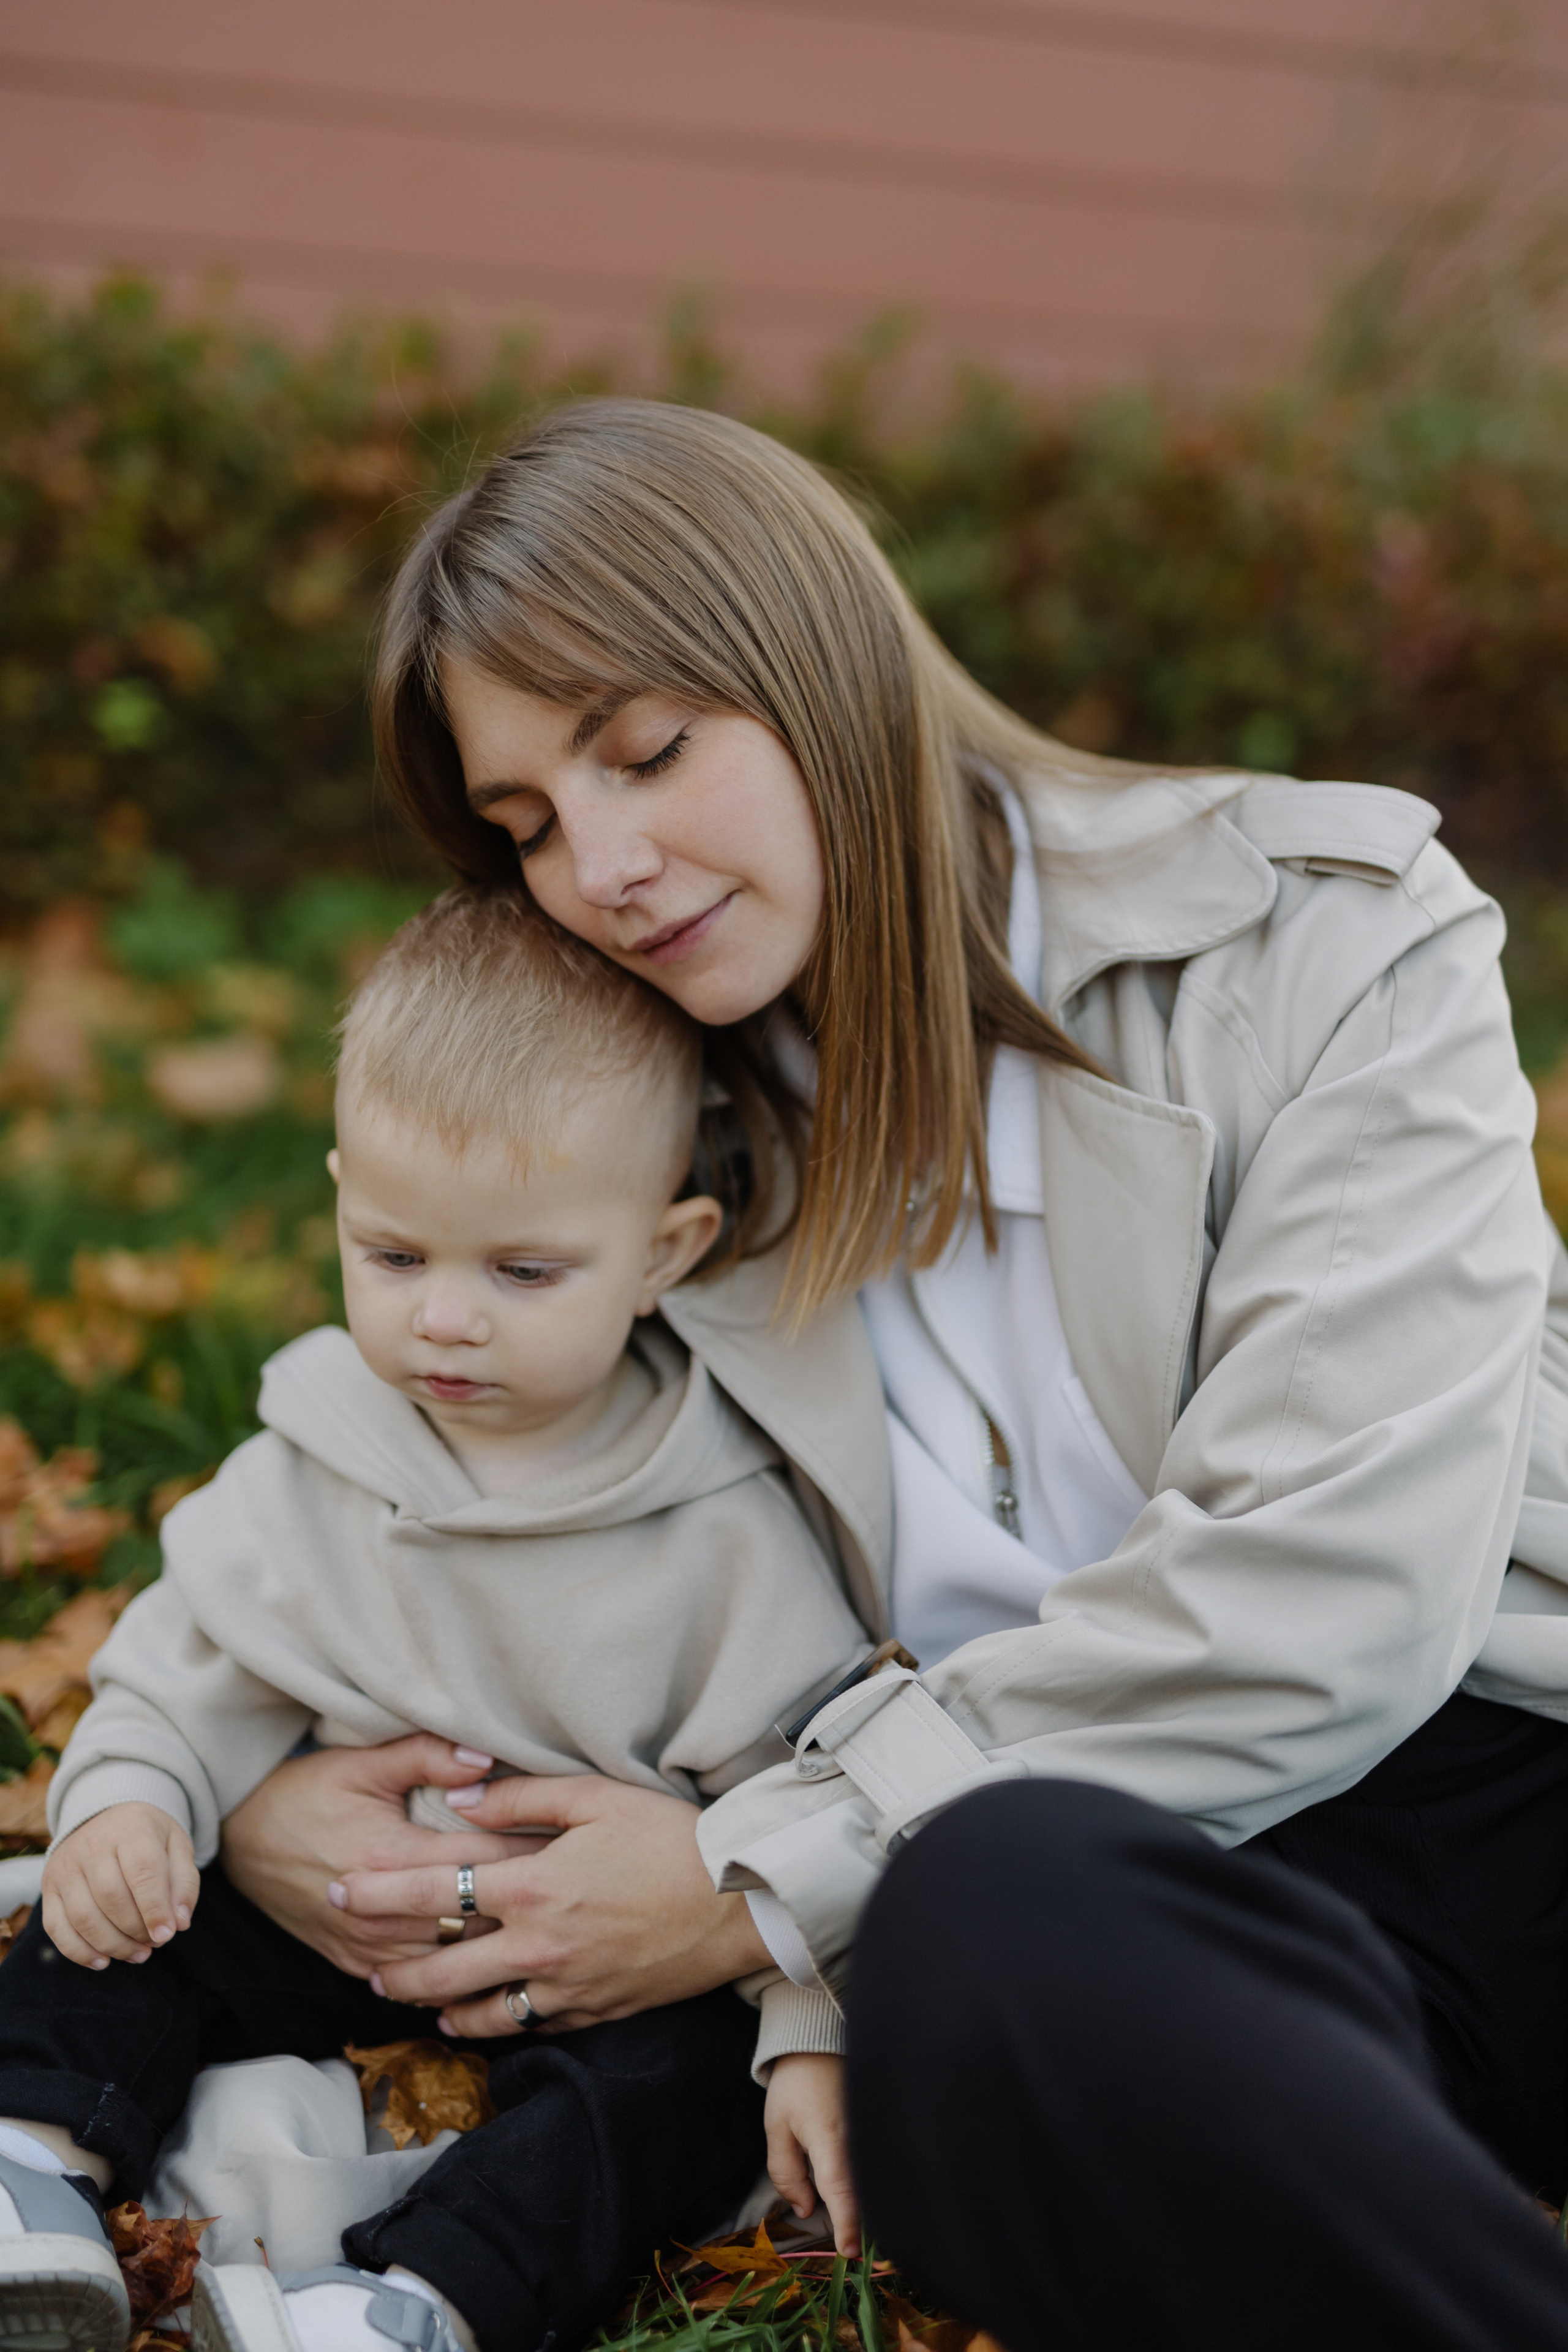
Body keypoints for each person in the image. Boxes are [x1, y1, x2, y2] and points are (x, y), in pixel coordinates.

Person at [214, 397, 1568, 2350]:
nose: (598, 861)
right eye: (525, 824)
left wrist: (760, 1876)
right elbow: (434, 1491)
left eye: (647, 749)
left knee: (952, 1904)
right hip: (1116, 1912)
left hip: (1497, 1776)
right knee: (978, 1940)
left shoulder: (1325, 948)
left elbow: (1334, 1600)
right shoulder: (665, 1150)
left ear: (814, 660)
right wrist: (249, 1795)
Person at [0, 886, 873, 2352]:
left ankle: (411, 2300)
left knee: (677, 2090)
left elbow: (808, 1814)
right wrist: (134, 1802)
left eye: (522, 1273)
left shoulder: (722, 1525)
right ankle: (36, 2169)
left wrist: (807, 2033)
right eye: (393, 1255)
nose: (444, 1319)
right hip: (329, 1917)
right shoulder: (317, 1458)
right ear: (342, 1194)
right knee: (111, 1921)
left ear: (666, 1250)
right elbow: (177, 1675)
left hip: (601, 1977)